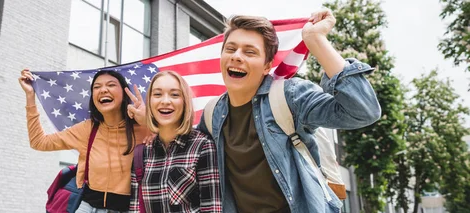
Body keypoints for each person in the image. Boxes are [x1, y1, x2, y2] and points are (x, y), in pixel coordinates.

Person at [197, 9, 381, 213]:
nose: (237, 57)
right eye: (230, 49)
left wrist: (315, 40)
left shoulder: (290, 95)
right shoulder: (211, 114)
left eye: (250, 52)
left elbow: (363, 111)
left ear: (267, 66)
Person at [19, 69, 150, 213]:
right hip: (86, 206)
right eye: (97, 87)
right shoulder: (87, 129)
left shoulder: (143, 128)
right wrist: (30, 96)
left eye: (111, 85)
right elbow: (39, 142)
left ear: (124, 93)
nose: (103, 90)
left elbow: (175, 142)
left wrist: (150, 123)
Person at [128, 71, 222, 213]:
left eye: (174, 95)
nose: (165, 101)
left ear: (184, 102)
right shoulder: (142, 154)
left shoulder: (202, 146)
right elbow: (135, 209)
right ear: (150, 102)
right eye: (158, 94)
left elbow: (212, 208)